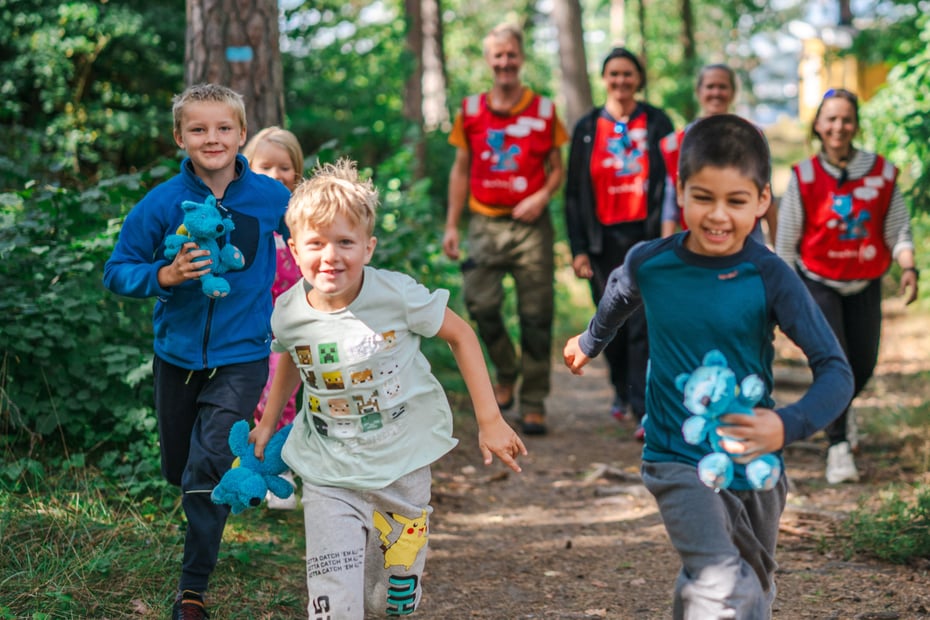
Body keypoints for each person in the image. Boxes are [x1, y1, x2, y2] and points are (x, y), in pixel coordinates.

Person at [563, 114, 853, 618]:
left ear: (762, 200)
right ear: (680, 192)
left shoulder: (769, 275)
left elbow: (836, 371)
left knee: (750, 587)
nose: (718, 216)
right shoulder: (651, 262)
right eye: (703, 197)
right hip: (676, 456)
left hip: (755, 464)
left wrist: (786, 424)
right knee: (723, 581)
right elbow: (618, 294)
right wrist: (591, 341)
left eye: (736, 201)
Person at [250, 158, 527, 618]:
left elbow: (461, 334)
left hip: (401, 468)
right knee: (335, 599)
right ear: (294, 249)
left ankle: (396, 591)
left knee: (387, 602)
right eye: (316, 243)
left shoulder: (396, 296)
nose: (330, 256)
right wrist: (267, 423)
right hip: (328, 471)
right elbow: (294, 360)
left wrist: (490, 420)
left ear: (368, 247)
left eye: (345, 242)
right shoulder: (289, 311)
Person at [103, 83, 291, 620]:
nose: (213, 138)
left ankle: (192, 590)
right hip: (177, 358)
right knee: (180, 469)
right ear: (179, 137)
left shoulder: (270, 197)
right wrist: (165, 275)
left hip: (243, 355)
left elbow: (311, 233)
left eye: (224, 128)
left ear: (242, 133)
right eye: (199, 129)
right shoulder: (162, 202)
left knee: (207, 466)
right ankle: (199, 494)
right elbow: (117, 270)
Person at [775, 87, 919, 484]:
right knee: (833, 364)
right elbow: (786, 243)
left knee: (864, 365)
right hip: (818, 282)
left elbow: (898, 228)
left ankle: (838, 409)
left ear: (855, 125)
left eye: (846, 119)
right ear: (818, 125)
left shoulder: (882, 172)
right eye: (831, 119)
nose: (838, 126)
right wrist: (781, 298)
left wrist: (909, 267)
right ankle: (837, 446)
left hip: (865, 282)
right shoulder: (804, 175)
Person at [443, 22, 568, 436]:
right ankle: (506, 370)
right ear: (489, 60)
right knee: (480, 304)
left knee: (536, 314)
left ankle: (533, 401)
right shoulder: (471, 110)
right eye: (498, 55)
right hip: (484, 222)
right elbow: (461, 170)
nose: (505, 62)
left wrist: (541, 197)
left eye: (511, 54)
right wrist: (452, 225)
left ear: (521, 57)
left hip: (532, 228)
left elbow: (557, 169)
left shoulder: (544, 110)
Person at [564, 47, 673, 436]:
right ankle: (620, 391)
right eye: (614, 74)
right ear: (604, 79)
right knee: (610, 321)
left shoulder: (658, 122)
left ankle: (643, 406)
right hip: (602, 243)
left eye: (628, 74)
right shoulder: (587, 126)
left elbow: (671, 183)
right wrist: (578, 249)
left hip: (644, 239)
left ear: (639, 78)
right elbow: (573, 193)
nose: (621, 81)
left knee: (643, 323)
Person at [242, 126, 305, 510]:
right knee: (250, 397)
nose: (276, 175)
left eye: (285, 167)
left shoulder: (301, 221)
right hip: (250, 326)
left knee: (279, 398)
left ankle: (281, 470)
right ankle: (250, 468)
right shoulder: (246, 219)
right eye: (265, 167)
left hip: (293, 329)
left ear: (297, 172)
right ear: (248, 168)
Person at [660, 63, 779, 244]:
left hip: (746, 239)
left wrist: (777, 246)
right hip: (698, 238)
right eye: (710, 86)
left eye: (722, 87)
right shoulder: (677, 142)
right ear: (699, 91)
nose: (716, 92)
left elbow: (766, 190)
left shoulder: (753, 136)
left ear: (733, 91)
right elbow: (670, 202)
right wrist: (665, 248)